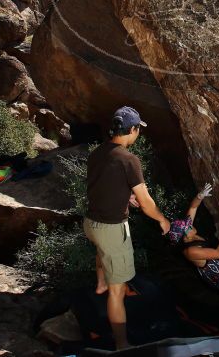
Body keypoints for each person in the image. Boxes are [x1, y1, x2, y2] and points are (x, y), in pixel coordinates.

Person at [83, 105, 171, 350]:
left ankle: (101, 282)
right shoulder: (129, 159)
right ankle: (122, 344)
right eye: (137, 130)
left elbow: (102, 185)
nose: (138, 134)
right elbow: (146, 204)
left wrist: (124, 197)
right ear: (132, 129)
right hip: (111, 229)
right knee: (118, 291)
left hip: (90, 224)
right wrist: (162, 219)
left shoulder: (98, 152)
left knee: (102, 251)